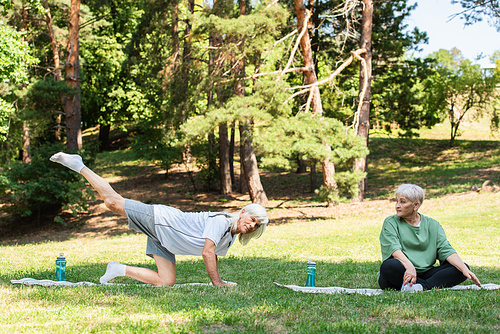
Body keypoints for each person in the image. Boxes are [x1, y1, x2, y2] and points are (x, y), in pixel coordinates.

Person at [50, 152, 269, 287]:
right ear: (243, 211)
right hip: (162, 220)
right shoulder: (222, 221)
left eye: (256, 226)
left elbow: (213, 255)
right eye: (252, 219)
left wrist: (219, 279)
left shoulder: (229, 238)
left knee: (166, 282)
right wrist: (217, 283)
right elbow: (207, 252)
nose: (251, 226)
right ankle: (79, 165)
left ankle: (117, 269)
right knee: (112, 202)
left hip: (165, 240)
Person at [378, 183, 481, 292]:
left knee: (461, 267)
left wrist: (464, 270)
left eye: (402, 202)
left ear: (416, 205)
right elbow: (394, 250)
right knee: (389, 266)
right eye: (397, 201)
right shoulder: (390, 222)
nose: (397, 205)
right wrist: (409, 267)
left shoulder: (433, 225)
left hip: (425, 273)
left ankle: (421, 286)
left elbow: (446, 249)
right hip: (401, 271)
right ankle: (424, 284)